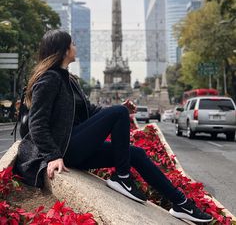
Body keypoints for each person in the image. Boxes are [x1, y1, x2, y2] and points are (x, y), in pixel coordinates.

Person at [14, 30, 212, 223]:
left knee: (136, 153)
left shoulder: (69, 80)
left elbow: (90, 111)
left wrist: (121, 108)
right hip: (65, 149)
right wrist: (53, 156)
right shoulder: (49, 78)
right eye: (72, 44)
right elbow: (37, 123)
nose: (75, 46)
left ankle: (181, 203)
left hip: (75, 145)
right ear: (64, 50)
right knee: (118, 113)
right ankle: (123, 177)